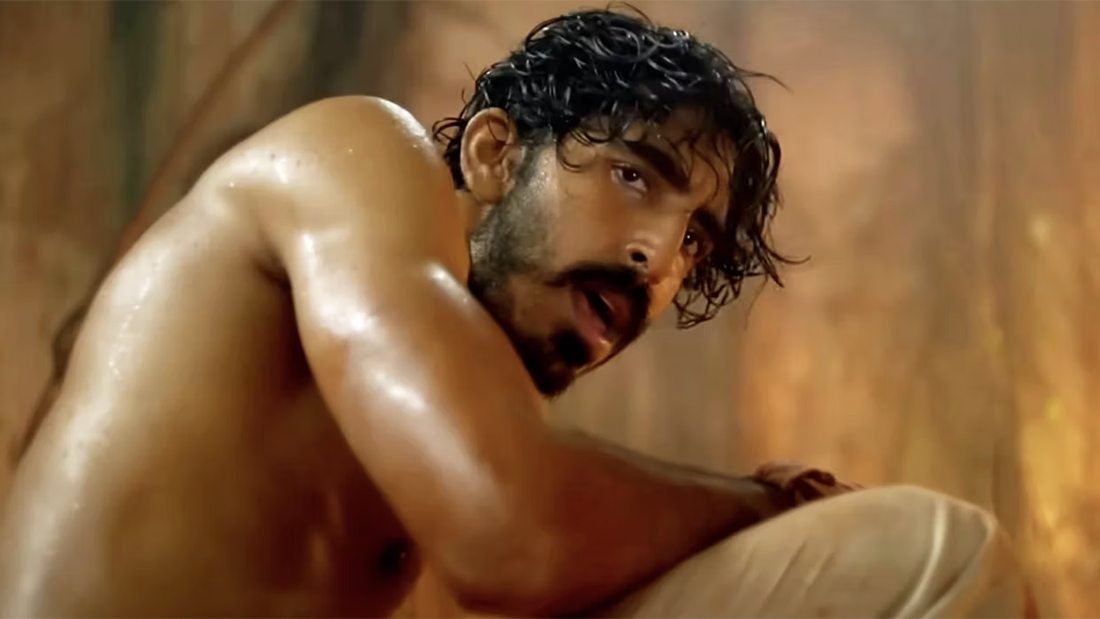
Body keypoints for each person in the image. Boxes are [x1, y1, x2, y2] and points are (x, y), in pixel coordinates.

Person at [0, 8, 1038, 619]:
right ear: (494, 153)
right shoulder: (357, 155)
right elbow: (509, 534)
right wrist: (765, 505)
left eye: (695, 240)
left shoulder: (458, 389)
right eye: (634, 175)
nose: (656, 256)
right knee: (927, 551)